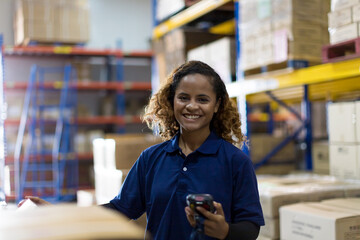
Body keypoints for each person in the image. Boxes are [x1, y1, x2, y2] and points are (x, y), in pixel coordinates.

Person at [20, 61, 264, 240]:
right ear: (171, 101)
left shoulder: (235, 161)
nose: (192, 106)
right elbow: (119, 209)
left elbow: (251, 228)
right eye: (183, 97)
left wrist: (225, 231)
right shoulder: (151, 159)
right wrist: (61, 213)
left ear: (217, 105)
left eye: (202, 99)